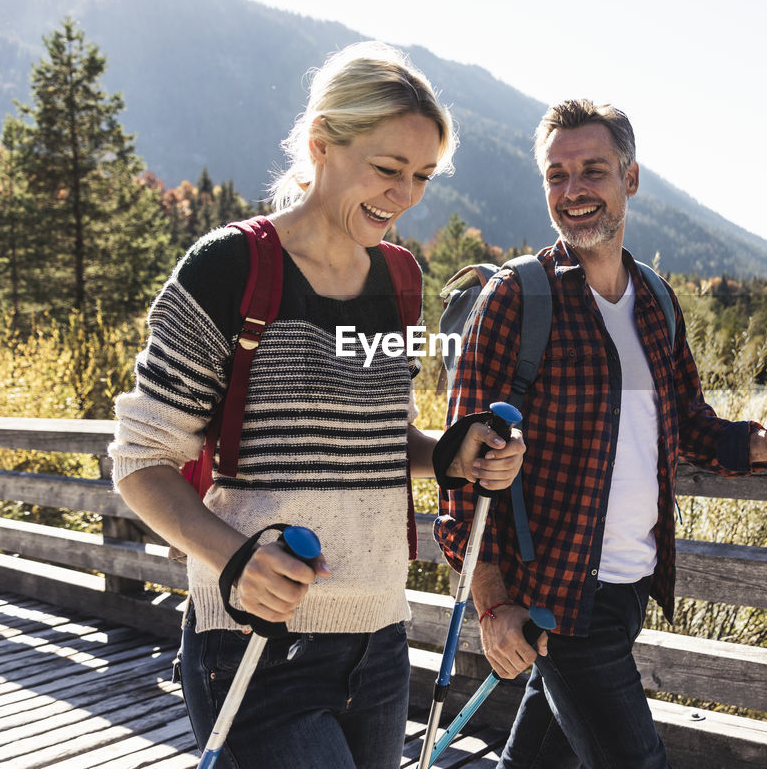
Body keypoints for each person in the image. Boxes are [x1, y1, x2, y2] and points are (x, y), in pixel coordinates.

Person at [109, 41, 525, 769]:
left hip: (381, 641)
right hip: (253, 641)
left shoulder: (399, 282)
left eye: (422, 176)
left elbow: (378, 440)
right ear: (321, 144)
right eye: (389, 169)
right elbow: (140, 462)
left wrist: (451, 455)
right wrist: (236, 562)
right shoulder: (228, 267)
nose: (404, 195)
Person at [435, 99, 767, 769]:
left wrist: (765, 442)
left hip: (629, 588)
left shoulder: (656, 302)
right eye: (557, 175)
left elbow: (689, 425)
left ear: (630, 179)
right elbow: (463, 471)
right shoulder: (516, 299)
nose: (574, 190)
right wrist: (492, 604)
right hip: (555, 599)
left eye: (593, 171)